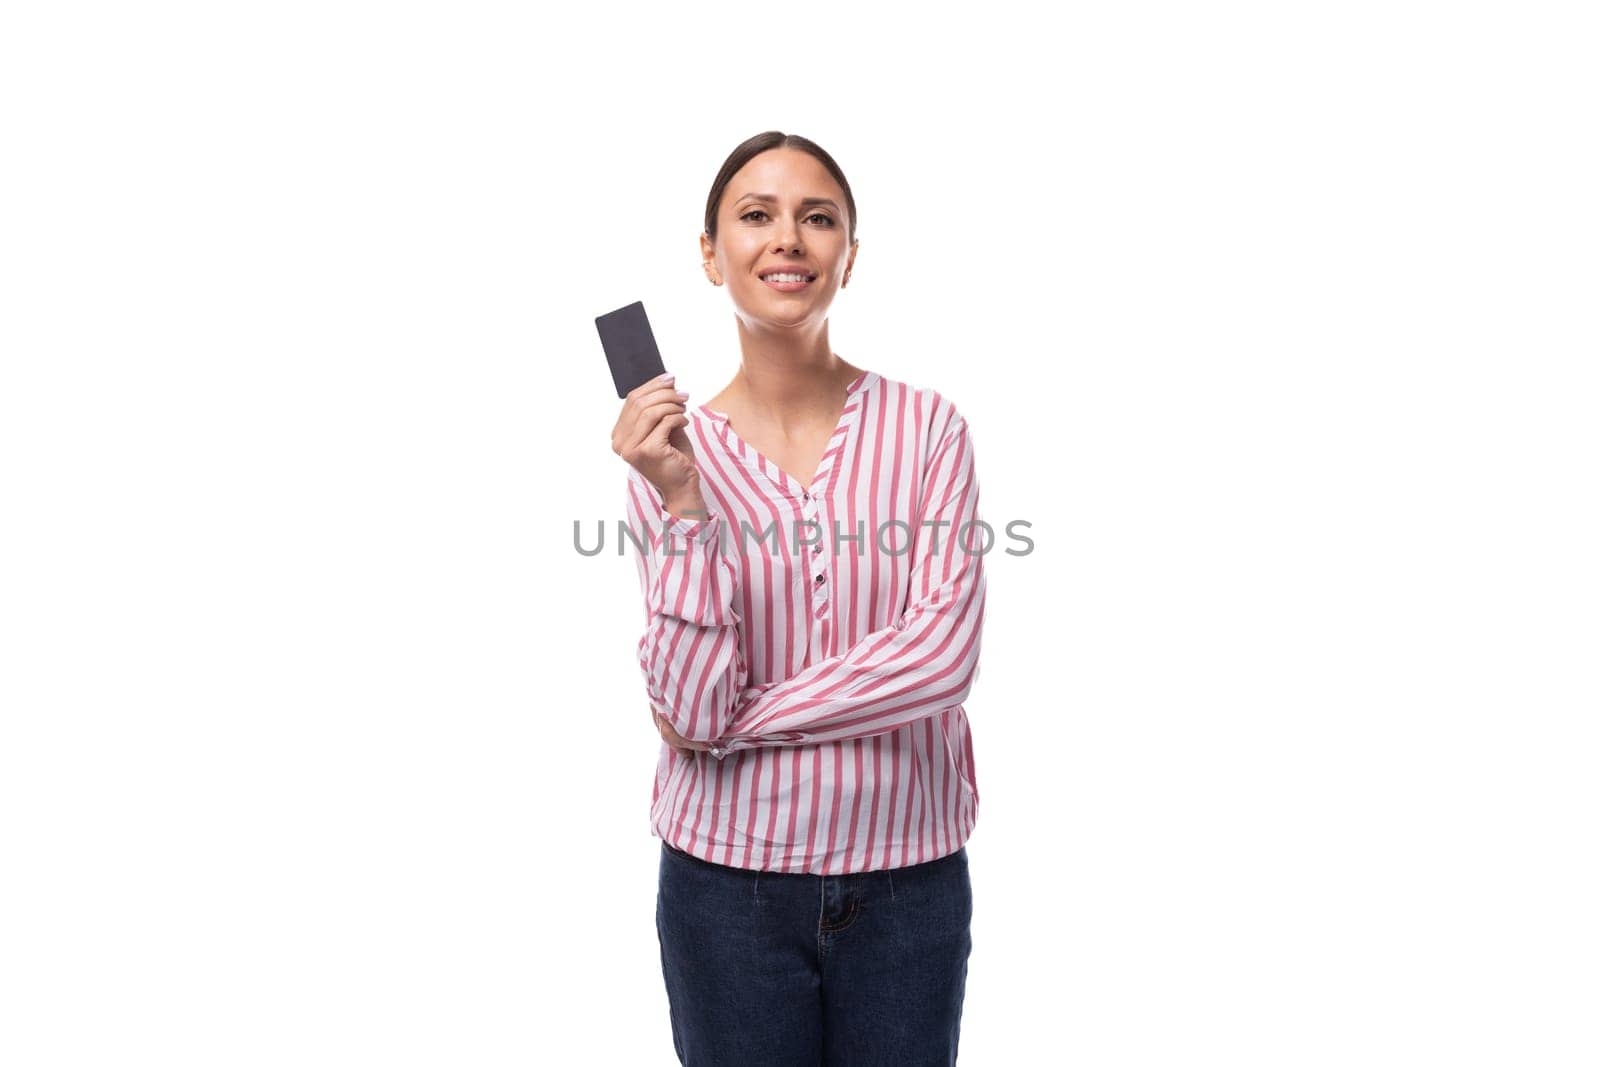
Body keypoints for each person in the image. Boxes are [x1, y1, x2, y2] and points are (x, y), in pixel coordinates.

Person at [610, 130, 988, 1066]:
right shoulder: (669, 458)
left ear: (847, 257)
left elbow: (940, 661)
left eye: (817, 218)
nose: (789, 238)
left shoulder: (929, 427)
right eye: (756, 215)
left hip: (908, 883)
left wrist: (739, 723)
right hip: (724, 891)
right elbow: (687, 705)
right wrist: (686, 503)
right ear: (712, 254)